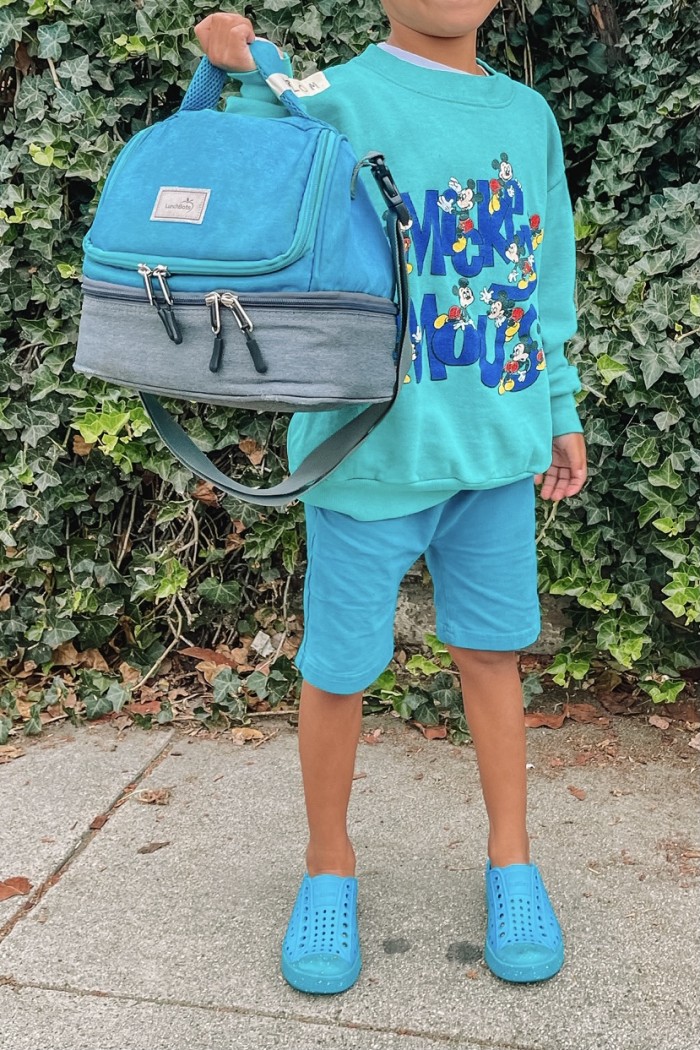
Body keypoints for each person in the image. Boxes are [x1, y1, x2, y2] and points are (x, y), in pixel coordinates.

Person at [194, 0, 588, 996]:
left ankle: (512, 862)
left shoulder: (527, 117)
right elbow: (243, 207)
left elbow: (544, 282)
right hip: (361, 460)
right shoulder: (326, 101)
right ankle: (328, 868)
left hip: (495, 458)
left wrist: (559, 407)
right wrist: (233, 73)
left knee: (491, 657)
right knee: (337, 669)